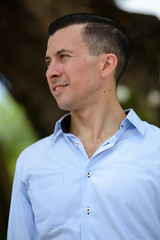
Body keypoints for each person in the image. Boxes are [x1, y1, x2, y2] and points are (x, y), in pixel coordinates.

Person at [7, 13, 160, 240]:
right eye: (48, 62)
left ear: (106, 64)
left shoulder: (156, 149)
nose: (51, 72)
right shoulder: (31, 161)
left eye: (64, 57)